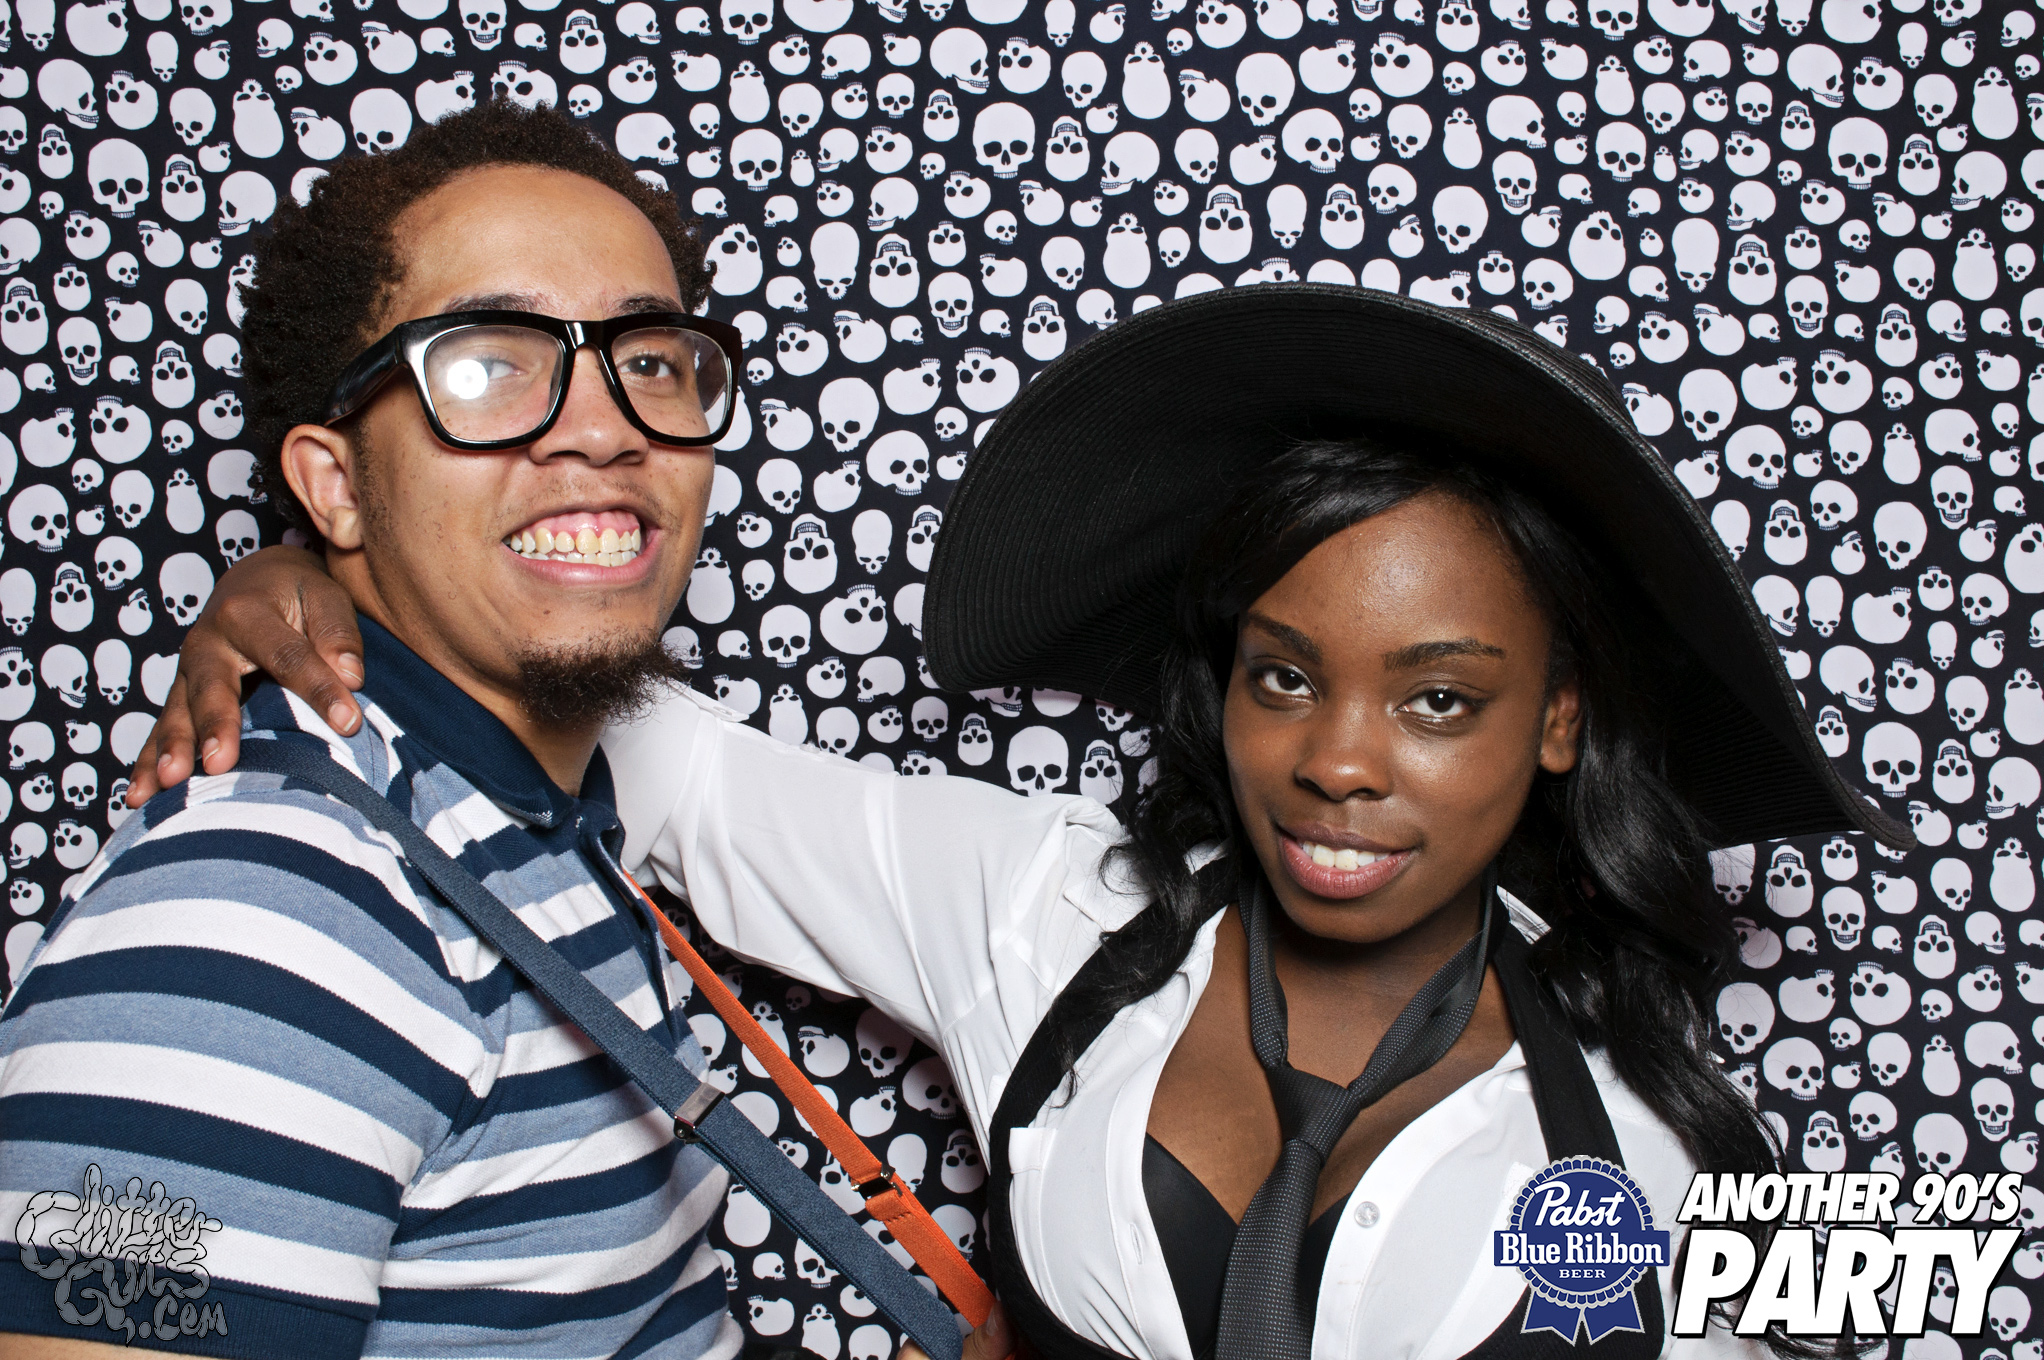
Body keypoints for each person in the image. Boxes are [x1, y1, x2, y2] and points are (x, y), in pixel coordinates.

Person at [123, 285, 1907, 1360]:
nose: (1339, 762)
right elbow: (656, 763)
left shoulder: (1668, 1135)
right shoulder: (1046, 909)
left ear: (1558, 719)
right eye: (1283, 676)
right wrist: (343, 583)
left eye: (1438, 698)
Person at [0, 98, 788, 1360]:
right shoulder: (261, 914)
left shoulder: (534, 823)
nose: (604, 427)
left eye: (649, 360)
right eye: (486, 364)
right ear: (333, 485)